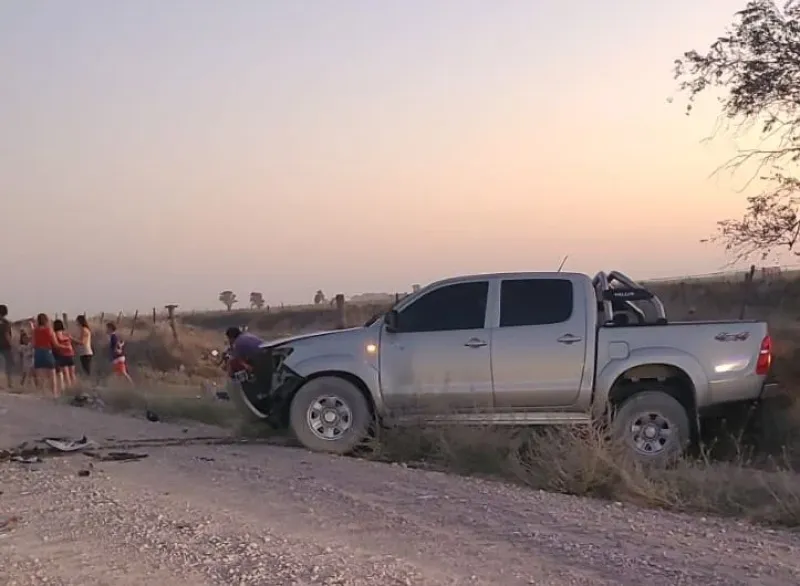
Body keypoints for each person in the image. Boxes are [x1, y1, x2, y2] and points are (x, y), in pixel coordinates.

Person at [32, 313, 68, 398]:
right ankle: (54, 394)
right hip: (47, 352)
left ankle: (41, 394)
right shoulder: (49, 330)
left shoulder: (35, 331)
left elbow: (33, 344)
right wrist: (65, 347)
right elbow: (55, 344)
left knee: (40, 375)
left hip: (38, 352)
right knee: (52, 375)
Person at [52, 319, 76, 389]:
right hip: (70, 354)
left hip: (62, 354)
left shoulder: (55, 334)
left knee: (66, 375)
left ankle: (69, 389)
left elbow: (57, 342)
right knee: (72, 374)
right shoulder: (66, 334)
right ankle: (74, 388)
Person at [0, 305, 13, 389]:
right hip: (6, 345)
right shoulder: (7, 323)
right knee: (8, 365)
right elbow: (8, 335)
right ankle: (10, 383)